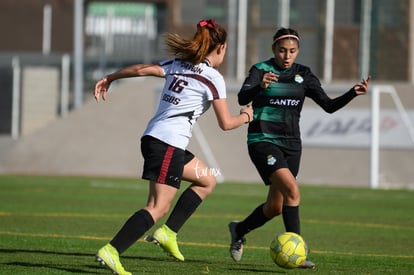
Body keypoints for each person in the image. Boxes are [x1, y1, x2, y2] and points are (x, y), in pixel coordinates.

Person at [94, 19, 253, 275]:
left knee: (207, 180)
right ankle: (111, 251)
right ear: (221, 48)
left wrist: (112, 76)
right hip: (168, 144)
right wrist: (246, 116)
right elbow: (226, 123)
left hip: (157, 139)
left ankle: (168, 233)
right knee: (158, 207)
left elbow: (142, 70)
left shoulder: (178, 64)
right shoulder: (213, 77)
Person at [228, 27, 370, 268]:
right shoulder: (260, 70)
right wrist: (259, 86)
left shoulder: (304, 74)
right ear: (274, 49)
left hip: (292, 145)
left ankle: (239, 229)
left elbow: (328, 106)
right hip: (263, 140)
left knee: (275, 206)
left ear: (298, 52)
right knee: (293, 190)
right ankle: (299, 253)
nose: (287, 56)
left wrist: (352, 93)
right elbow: (242, 98)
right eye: (282, 50)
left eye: (292, 51)